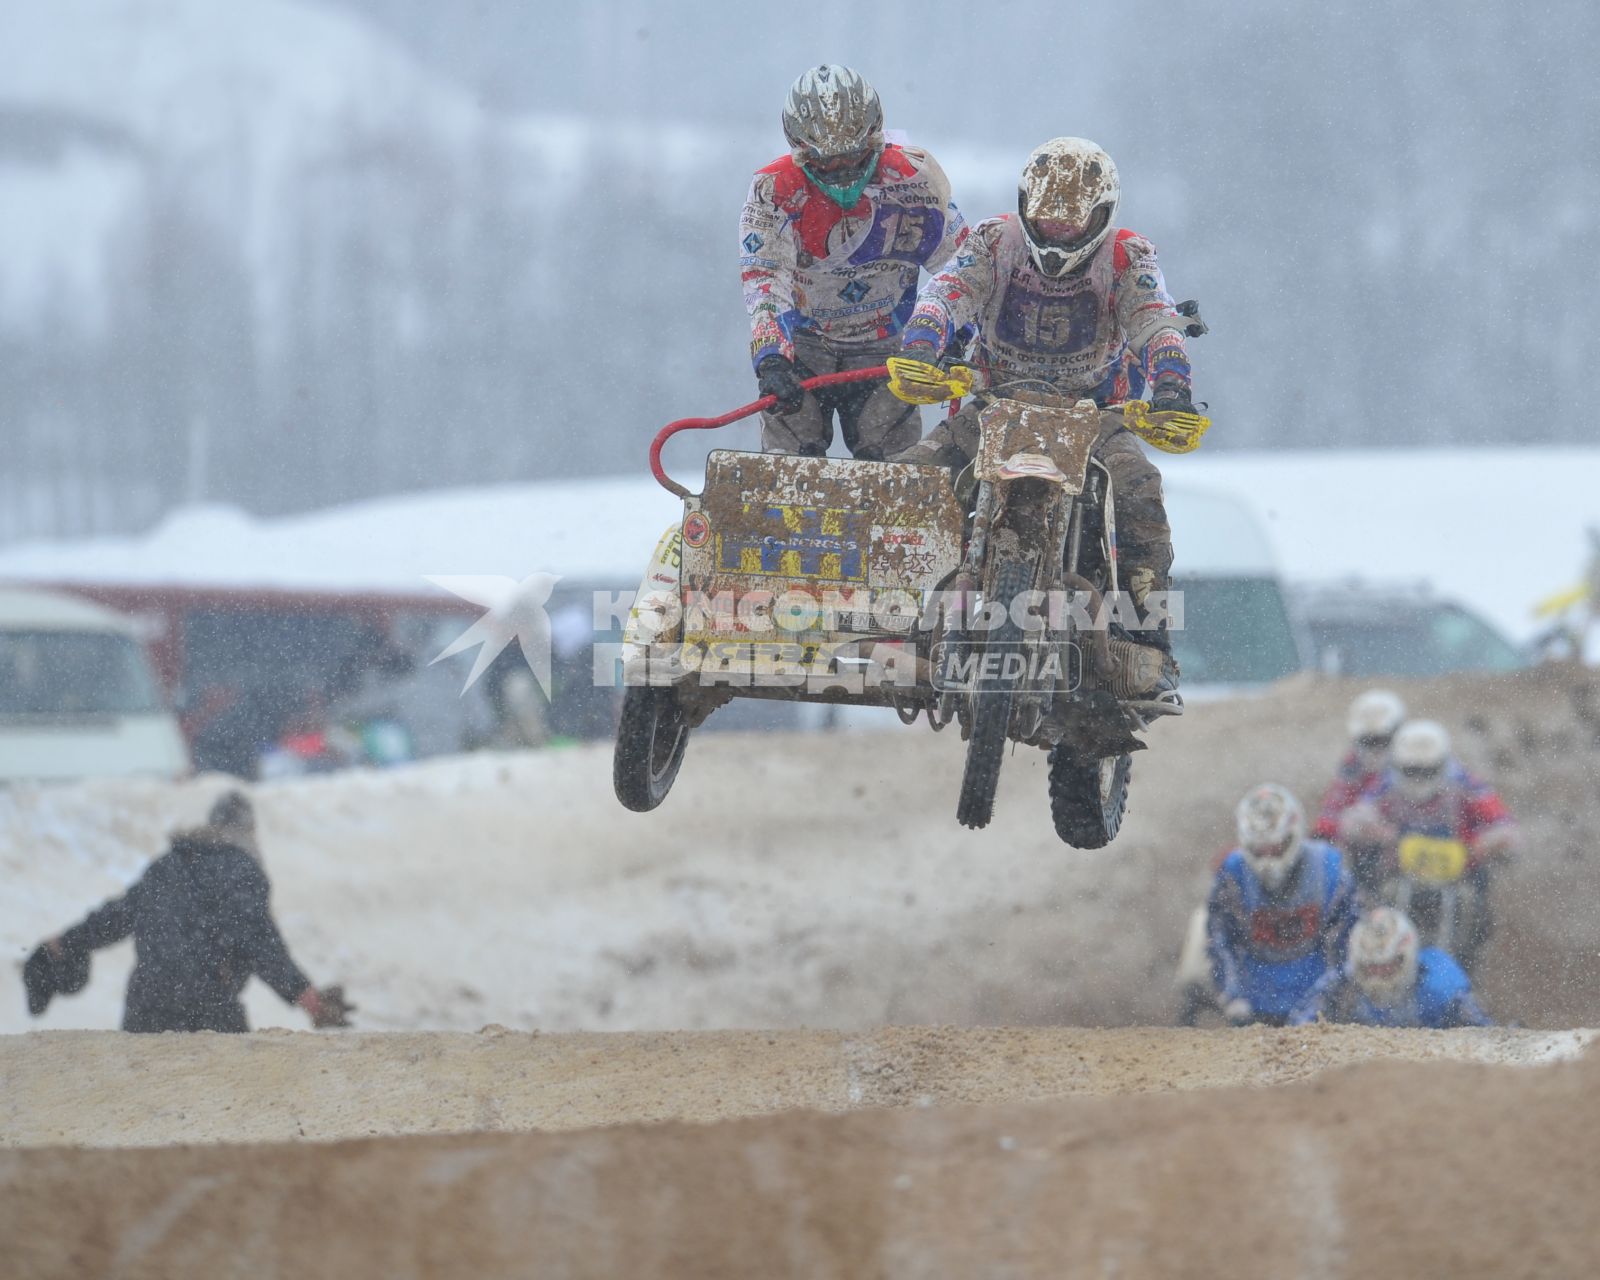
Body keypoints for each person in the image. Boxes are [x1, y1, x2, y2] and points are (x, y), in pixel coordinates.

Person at [889, 137, 1203, 691]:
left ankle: (1151, 640)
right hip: (993, 405)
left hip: (1095, 413)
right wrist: (921, 342)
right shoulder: (991, 243)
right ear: (1025, 207)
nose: (1057, 238)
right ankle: (891, 611)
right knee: (909, 478)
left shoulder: (1129, 255)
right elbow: (946, 292)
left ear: (1102, 217)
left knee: (1140, 489)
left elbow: (1156, 319)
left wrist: (1173, 382)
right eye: (1047, 223)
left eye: (1070, 227)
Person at [738, 64, 967, 460]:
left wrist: (953, 338)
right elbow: (764, 279)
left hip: (889, 351)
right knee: (787, 467)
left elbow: (962, 269)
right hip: (804, 348)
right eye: (826, 162)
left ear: (875, 137)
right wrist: (771, 358)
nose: (843, 171)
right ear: (800, 150)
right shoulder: (773, 189)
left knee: (896, 468)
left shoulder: (915, 178)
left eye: (854, 156)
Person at [24, 791, 352, 1033]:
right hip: (207, 1006)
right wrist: (306, 996)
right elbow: (258, 939)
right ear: (249, 830)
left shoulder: (168, 865)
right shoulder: (241, 868)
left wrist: (62, 943)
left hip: (146, 1007)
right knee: (232, 1103)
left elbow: (117, 916)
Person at [1338, 719, 1517, 975]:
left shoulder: (1465, 783)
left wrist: (1481, 846)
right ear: (1398, 764)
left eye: (1427, 771)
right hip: (1399, 876)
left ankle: (1464, 972)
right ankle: (1376, 964)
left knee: (1470, 909)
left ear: (1443, 763)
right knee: (1376, 903)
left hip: (1458, 879)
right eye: (1412, 770)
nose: (1419, 779)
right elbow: (1352, 820)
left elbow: (1507, 828)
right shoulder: (1387, 784)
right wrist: (1379, 832)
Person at [1206, 784, 1360, 1026]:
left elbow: (1346, 947)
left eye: (1275, 847)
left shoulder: (1330, 869)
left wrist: (1319, 1003)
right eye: (1260, 848)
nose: (1268, 858)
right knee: (1192, 967)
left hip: (1314, 985)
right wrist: (1233, 994)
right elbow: (1219, 938)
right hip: (1252, 991)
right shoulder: (1232, 873)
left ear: (1294, 835)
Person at [1289, 907, 1494, 1028]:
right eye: (1370, 968)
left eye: (1387, 967)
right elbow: (1300, 1026)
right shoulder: (1342, 984)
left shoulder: (1439, 984)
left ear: (1406, 958)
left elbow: (1482, 1030)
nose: (1378, 975)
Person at [1311, 688, 1406, 842]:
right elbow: (1335, 803)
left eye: (1381, 740)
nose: (1375, 749)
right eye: (1368, 741)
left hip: (1406, 833)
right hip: (1365, 841)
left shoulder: (1411, 761)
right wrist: (1325, 831)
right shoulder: (1353, 763)